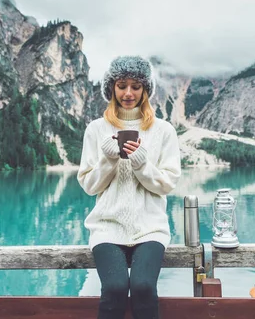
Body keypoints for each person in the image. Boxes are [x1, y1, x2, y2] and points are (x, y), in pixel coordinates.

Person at [77, 55, 182, 319]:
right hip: (107, 227)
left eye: (136, 86)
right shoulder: (96, 129)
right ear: (111, 87)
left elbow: (167, 183)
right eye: (122, 85)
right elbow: (90, 185)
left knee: (144, 287)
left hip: (150, 228)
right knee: (113, 288)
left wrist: (140, 164)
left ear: (146, 89)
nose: (128, 93)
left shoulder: (163, 130)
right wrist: (108, 159)